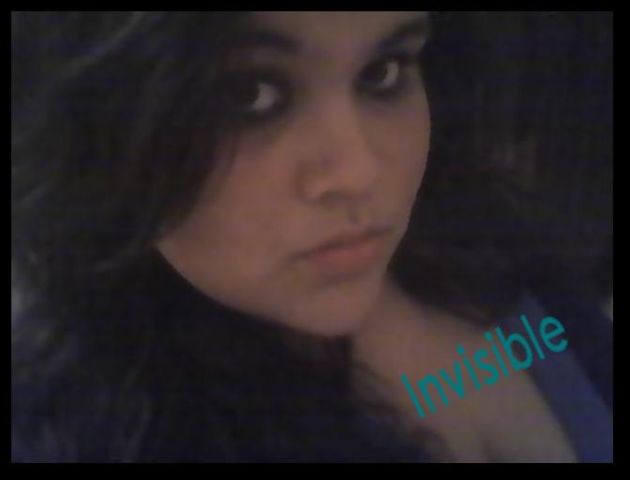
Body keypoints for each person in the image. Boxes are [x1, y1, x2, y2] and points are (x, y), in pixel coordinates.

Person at [11, 11, 612, 462]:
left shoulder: (477, 241)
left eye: (382, 73)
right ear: (96, 131)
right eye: (249, 95)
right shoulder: (86, 431)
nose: (359, 172)